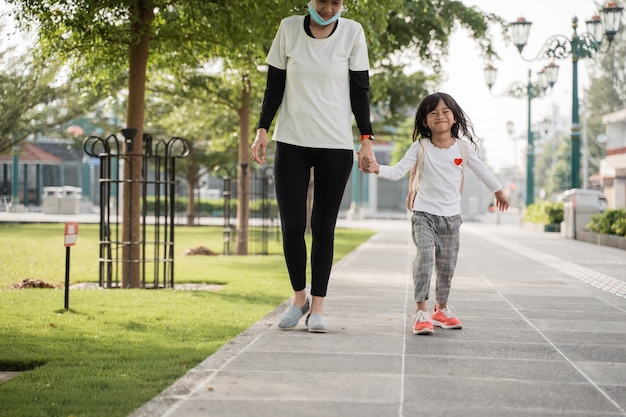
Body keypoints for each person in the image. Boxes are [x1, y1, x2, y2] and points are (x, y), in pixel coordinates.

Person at [250, 0, 376, 333]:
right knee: (292, 224)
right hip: (291, 140)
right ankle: (298, 299)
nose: (330, 8)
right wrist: (262, 129)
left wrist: (366, 139)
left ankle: (317, 307)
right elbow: (274, 85)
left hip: (334, 144)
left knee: (323, 225)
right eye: (324, 1)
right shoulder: (288, 28)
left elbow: (360, 89)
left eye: (336, 2)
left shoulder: (352, 32)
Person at [362, 92, 509, 335]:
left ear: (454, 118)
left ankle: (441, 309)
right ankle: (421, 311)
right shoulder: (420, 147)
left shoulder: (463, 148)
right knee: (426, 258)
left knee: (447, 265)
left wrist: (498, 191)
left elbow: (481, 169)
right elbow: (399, 171)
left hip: (452, 218)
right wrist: (377, 168)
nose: (439, 116)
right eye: (433, 113)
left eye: (445, 112)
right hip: (424, 215)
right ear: (424, 121)